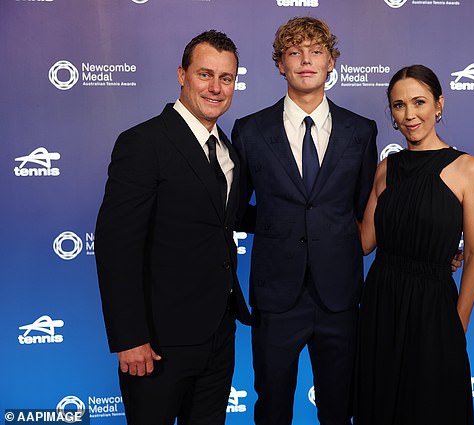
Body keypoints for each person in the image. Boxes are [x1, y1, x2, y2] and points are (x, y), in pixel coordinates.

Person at [94, 30, 250, 425]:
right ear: (182, 75)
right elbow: (116, 246)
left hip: (219, 336)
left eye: (226, 78)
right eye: (205, 75)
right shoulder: (143, 143)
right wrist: (130, 339)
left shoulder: (228, 149)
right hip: (157, 344)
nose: (216, 88)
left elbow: (220, 219)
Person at [231, 17, 378, 425]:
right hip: (277, 295)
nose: (306, 61)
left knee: (339, 407)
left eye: (316, 52)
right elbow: (236, 208)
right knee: (273, 407)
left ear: (332, 62)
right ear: (281, 64)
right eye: (295, 52)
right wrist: (282, 224)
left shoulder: (361, 131)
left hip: (340, 295)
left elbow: (368, 206)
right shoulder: (250, 130)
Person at [354, 65, 474, 424]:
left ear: (439, 104)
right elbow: (366, 241)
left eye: (419, 102)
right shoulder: (387, 168)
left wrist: (456, 324)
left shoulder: (469, 169)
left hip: (434, 311)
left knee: (432, 408)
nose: (409, 115)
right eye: (399, 105)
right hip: (381, 305)